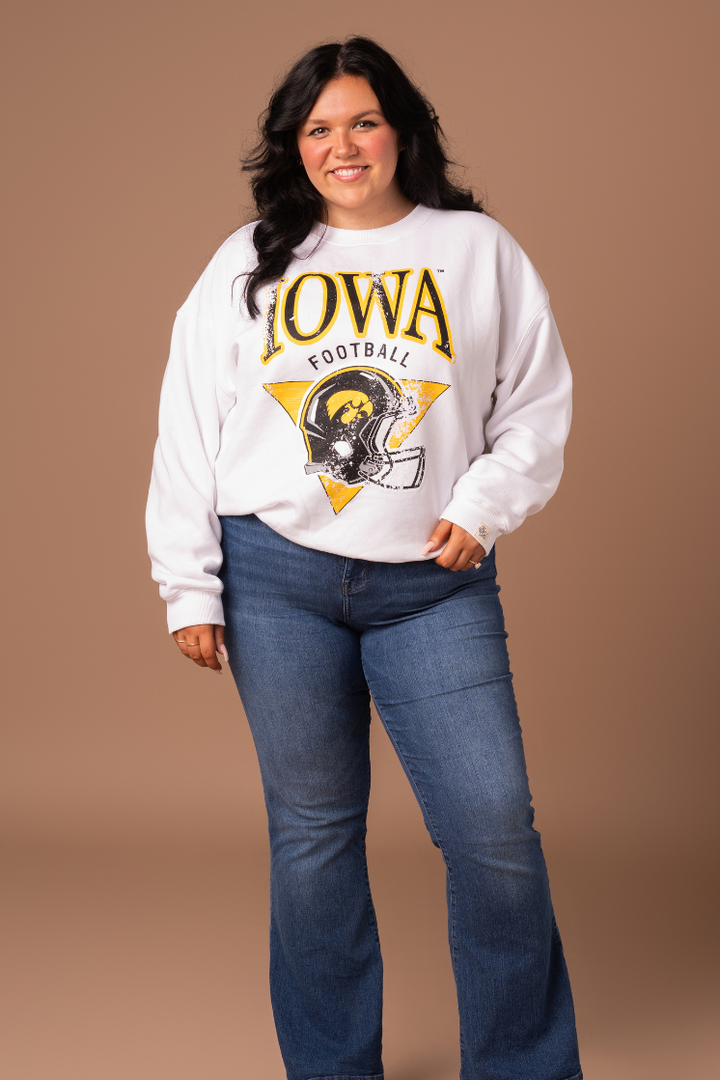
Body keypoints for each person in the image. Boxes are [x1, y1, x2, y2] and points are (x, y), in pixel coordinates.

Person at [146, 36, 582, 1080]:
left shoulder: (478, 251)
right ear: (294, 147)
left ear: (403, 130)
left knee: (493, 829)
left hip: (434, 585)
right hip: (274, 578)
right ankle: (333, 1069)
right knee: (313, 840)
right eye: (318, 128)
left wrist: (480, 506)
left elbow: (535, 407)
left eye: (363, 121)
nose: (343, 146)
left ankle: (523, 1066)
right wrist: (187, 586)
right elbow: (187, 426)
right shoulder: (247, 262)